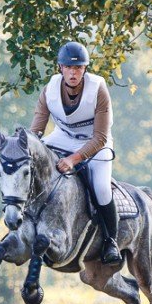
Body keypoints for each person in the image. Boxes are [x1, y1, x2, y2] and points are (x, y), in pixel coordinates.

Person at [30, 41, 121, 265]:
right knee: (34, 164)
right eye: (69, 68)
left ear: (85, 69)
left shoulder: (98, 89)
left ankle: (111, 241)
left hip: (95, 142)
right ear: (60, 68)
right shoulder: (49, 90)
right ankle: (24, 218)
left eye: (79, 68)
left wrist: (73, 159)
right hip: (63, 136)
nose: (73, 72)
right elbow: (36, 131)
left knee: (101, 187)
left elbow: (99, 138)